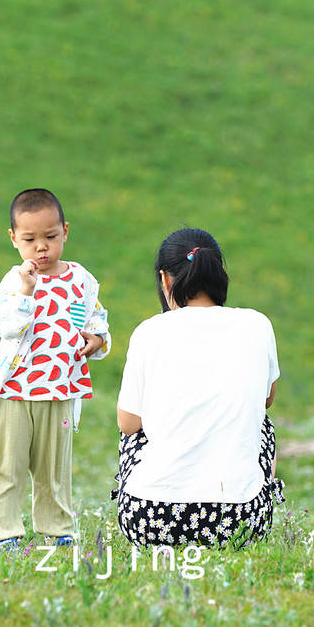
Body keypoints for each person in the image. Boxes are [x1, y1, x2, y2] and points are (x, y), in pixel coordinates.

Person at [111, 227, 284, 547]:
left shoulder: (149, 332)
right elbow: (266, 399)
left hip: (151, 519)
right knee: (263, 424)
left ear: (165, 280)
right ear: (219, 273)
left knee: (137, 427)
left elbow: (128, 423)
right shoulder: (257, 325)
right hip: (241, 522)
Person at [0, 188, 111, 549]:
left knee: (54, 469)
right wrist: (25, 293)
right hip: (16, 390)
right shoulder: (14, 281)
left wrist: (98, 340)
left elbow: (96, 318)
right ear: (13, 239)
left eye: (51, 237)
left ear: (65, 232)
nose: (42, 247)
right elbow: (5, 325)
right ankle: (5, 531)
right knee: (8, 464)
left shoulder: (81, 280)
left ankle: (57, 529)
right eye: (30, 239)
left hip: (60, 389)